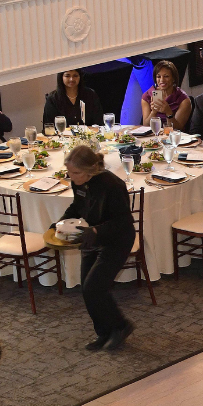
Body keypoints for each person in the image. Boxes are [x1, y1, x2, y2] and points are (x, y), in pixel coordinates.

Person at [60, 144, 137, 350]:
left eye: (75, 172)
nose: (71, 176)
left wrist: (95, 232)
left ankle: (121, 326)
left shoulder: (112, 185)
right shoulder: (79, 182)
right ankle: (104, 333)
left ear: (90, 170)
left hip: (117, 239)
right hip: (93, 238)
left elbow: (123, 221)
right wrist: (60, 223)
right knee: (88, 289)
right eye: (69, 172)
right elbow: (78, 206)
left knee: (95, 286)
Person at [138, 64, 192, 134]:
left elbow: (177, 129)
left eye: (166, 76)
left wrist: (168, 112)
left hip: (174, 138)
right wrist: (153, 112)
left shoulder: (184, 100)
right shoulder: (147, 96)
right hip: (153, 137)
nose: (162, 80)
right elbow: (146, 126)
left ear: (173, 79)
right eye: (158, 77)